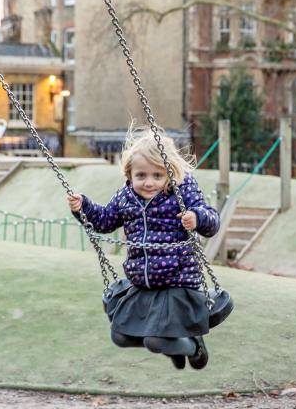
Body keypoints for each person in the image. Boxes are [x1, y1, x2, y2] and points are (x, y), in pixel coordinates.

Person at [68, 127, 221, 371]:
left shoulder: (182, 192)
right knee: (120, 336)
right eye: (141, 175)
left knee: (155, 340)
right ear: (129, 174)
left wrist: (196, 218)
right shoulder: (126, 197)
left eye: (157, 176)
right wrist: (82, 207)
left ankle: (194, 346)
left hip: (177, 283)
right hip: (143, 284)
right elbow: (105, 221)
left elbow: (212, 220)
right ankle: (175, 345)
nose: (148, 182)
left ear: (169, 174)